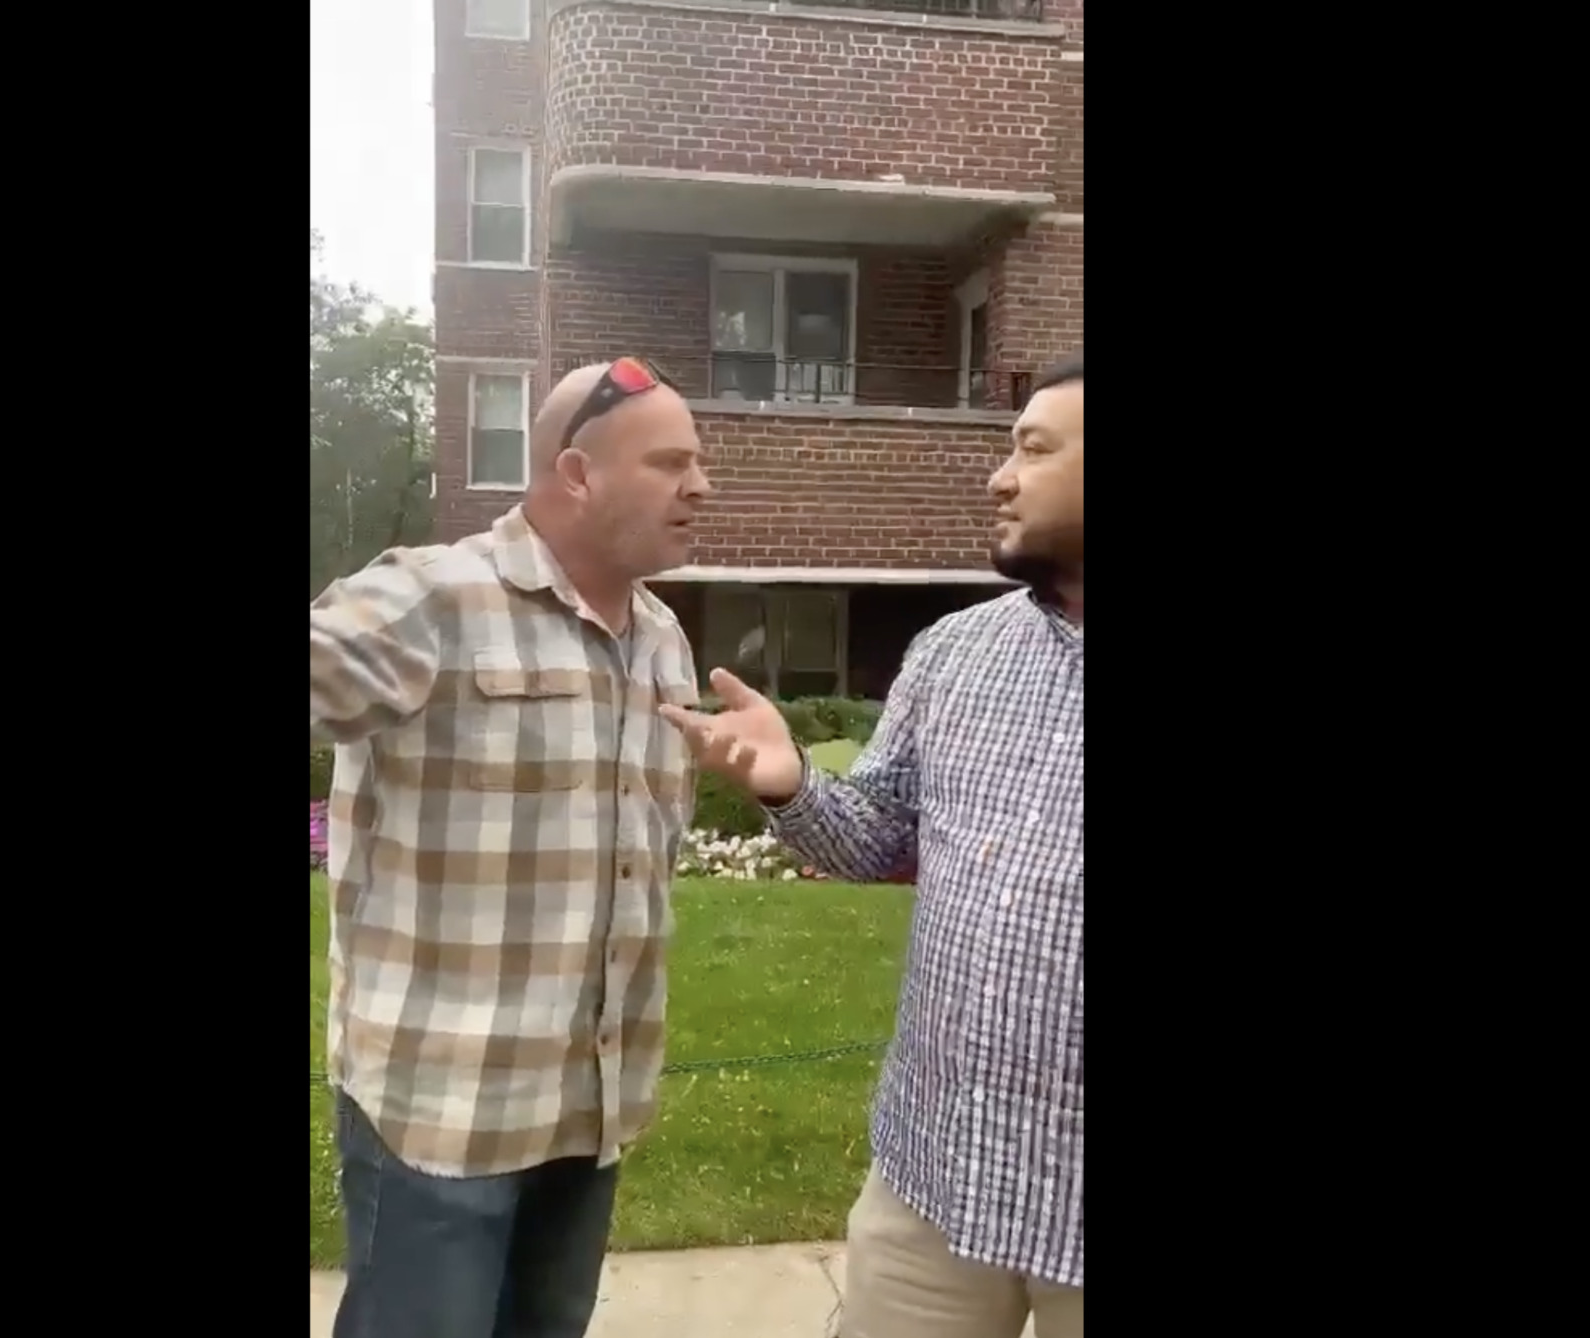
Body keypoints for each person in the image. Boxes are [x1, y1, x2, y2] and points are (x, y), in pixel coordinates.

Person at [662, 353, 1085, 1338]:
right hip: (936, 1185)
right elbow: (874, 841)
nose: (999, 476)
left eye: (1032, 448)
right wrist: (791, 783)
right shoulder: (956, 653)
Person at [309, 357, 713, 1338]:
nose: (700, 485)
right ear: (576, 474)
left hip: (591, 1112)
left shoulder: (662, 639)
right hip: (440, 1120)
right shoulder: (434, 597)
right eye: (670, 463)